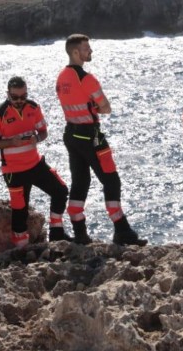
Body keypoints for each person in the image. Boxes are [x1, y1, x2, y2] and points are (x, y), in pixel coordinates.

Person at [55, 33, 147, 246]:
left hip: (71, 134)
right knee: (111, 180)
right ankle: (121, 230)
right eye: (87, 48)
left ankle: (80, 233)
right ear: (75, 52)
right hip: (90, 136)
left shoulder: (61, 78)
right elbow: (105, 107)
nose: (91, 51)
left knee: (80, 182)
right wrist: (95, 107)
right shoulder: (86, 78)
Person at [0, 76, 71, 248]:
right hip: (13, 170)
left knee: (60, 191)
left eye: (23, 97)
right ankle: (21, 249)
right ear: (7, 94)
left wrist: (37, 138)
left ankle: (56, 232)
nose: (19, 101)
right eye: (15, 97)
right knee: (20, 209)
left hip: (35, 164)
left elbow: (43, 132)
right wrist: (11, 142)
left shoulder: (33, 107)